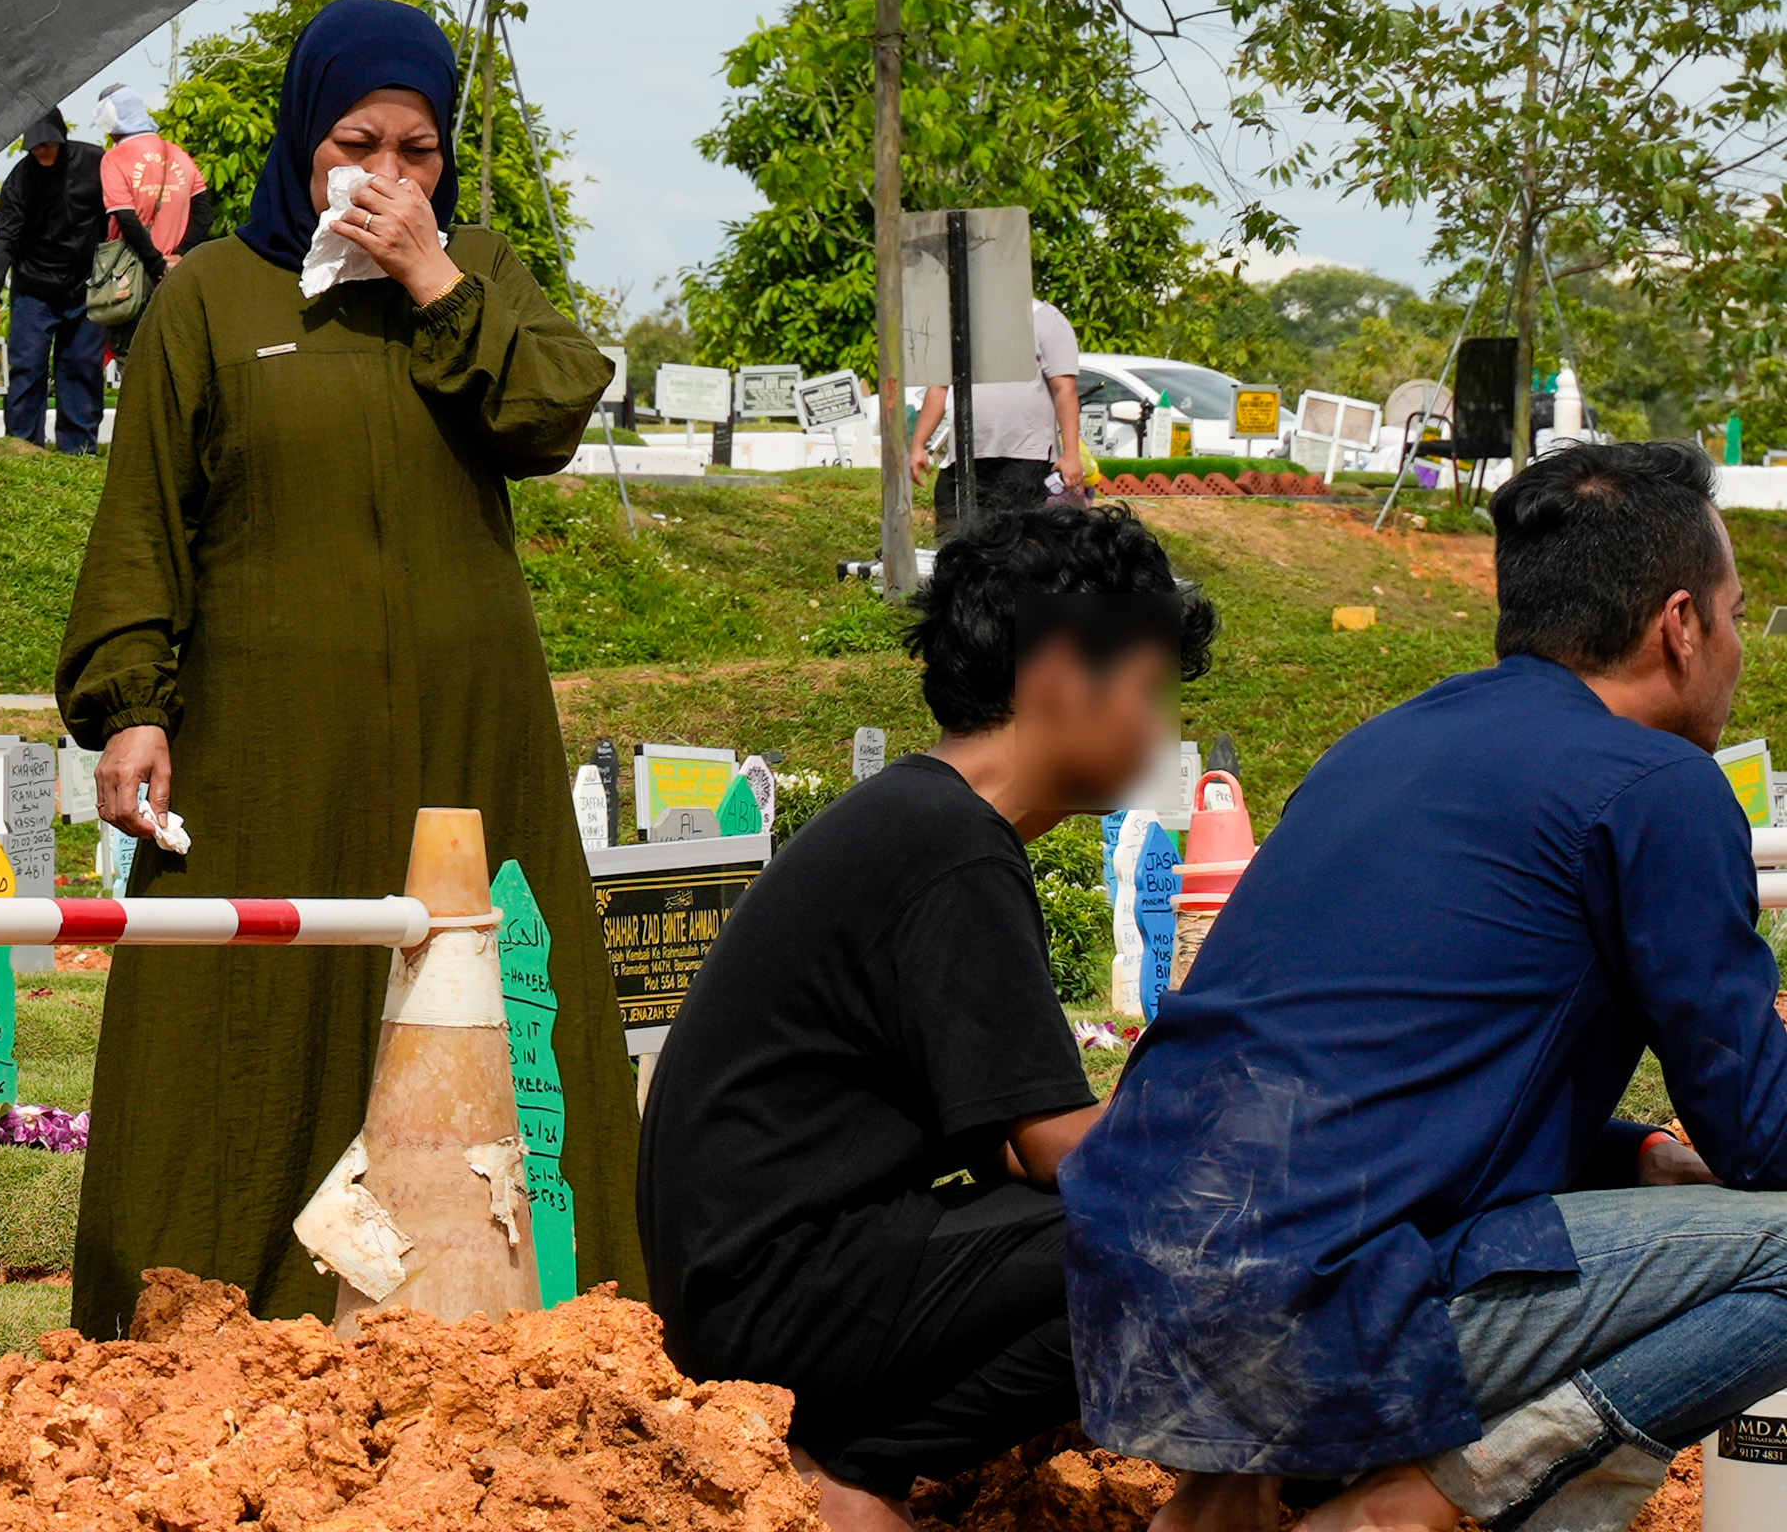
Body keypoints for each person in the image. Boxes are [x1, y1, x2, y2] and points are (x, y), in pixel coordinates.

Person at [55, 0, 645, 1338]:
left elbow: (553, 408)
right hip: (268, 748)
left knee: (495, 1004)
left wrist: (437, 282)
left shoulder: (480, 272)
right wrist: (130, 709)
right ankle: (206, 1326)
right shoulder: (215, 296)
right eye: (355, 145)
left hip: (467, 734)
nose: (384, 179)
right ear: (299, 146)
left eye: (416, 150)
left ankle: (534, 1324)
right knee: (246, 1024)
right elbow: (145, 520)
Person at [1064, 439, 1787, 1532]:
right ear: (1679, 624)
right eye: (1736, 613)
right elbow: (1763, 1134)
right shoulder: (1658, 786)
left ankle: (1230, 1495)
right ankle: (1423, 1503)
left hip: (1134, 1291)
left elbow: (1379, 1064)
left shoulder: (1382, 745)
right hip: (1314, 1312)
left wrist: (1628, 1147)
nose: (1740, 646)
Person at [640, 506, 1220, 1532]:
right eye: (1146, 690)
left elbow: (1004, 1143)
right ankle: (855, 1475)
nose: (1157, 728)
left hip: (754, 1281)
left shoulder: (921, 820)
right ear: (1055, 676)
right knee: (1176, 1234)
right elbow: (1060, 1153)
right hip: (784, 1293)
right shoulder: (952, 845)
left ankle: (854, 1465)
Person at [0, 110, 109, 453]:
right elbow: (5, 238)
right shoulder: (20, 179)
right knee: (27, 368)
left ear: (62, 138)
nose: (43, 151)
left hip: (85, 287)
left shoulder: (96, 163)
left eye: (48, 144)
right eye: (35, 147)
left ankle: (78, 450)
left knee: (81, 367)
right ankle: (22, 447)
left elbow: (121, 211)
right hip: (34, 289)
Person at [911, 298, 1083, 528]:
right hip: (965, 459)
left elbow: (1065, 389)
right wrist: (918, 445)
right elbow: (939, 387)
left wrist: (1071, 454)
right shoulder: (959, 321)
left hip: (1026, 458)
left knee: (1017, 545)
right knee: (955, 540)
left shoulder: (1045, 319)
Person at [89, 83, 207, 366]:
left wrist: (155, 264)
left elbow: (126, 219)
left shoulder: (114, 158)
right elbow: (204, 213)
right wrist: (179, 255)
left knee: (133, 361)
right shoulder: (176, 153)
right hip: (178, 274)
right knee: (176, 358)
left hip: (134, 275)